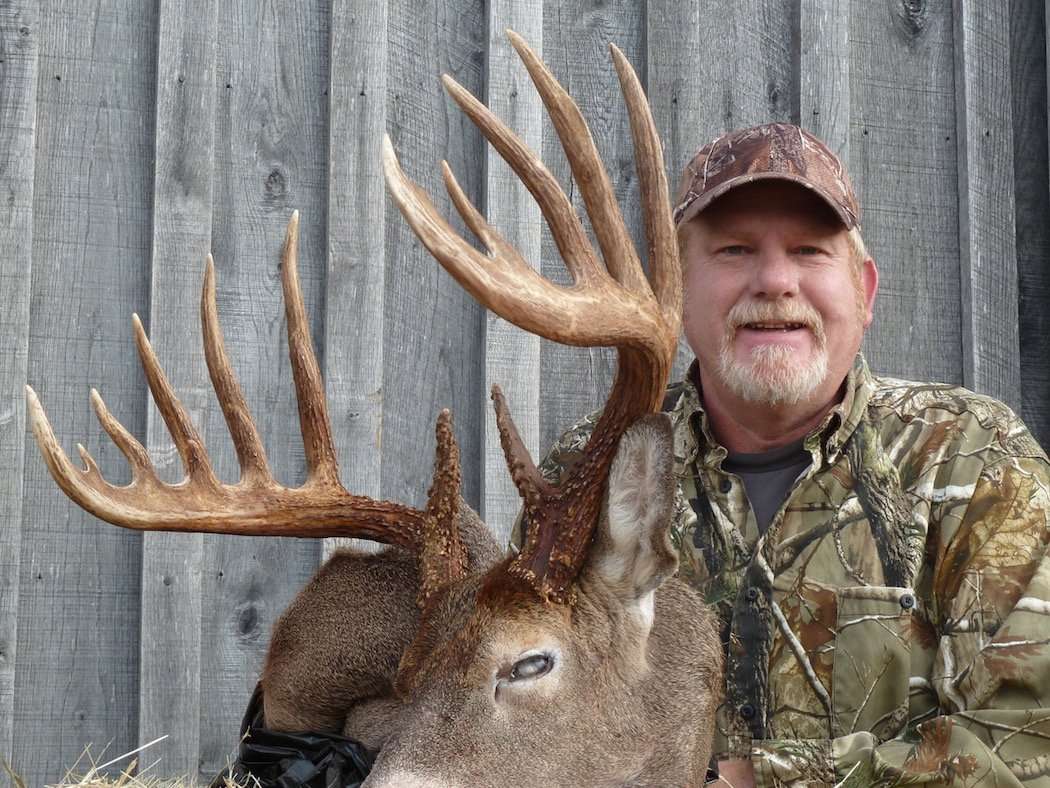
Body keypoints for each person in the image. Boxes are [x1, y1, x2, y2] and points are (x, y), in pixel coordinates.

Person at [522, 123, 1050, 786]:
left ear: (865, 292)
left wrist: (752, 782)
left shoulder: (975, 460)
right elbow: (520, 715)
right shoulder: (596, 469)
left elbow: (1029, 747)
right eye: (736, 250)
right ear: (679, 290)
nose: (774, 281)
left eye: (808, 251)